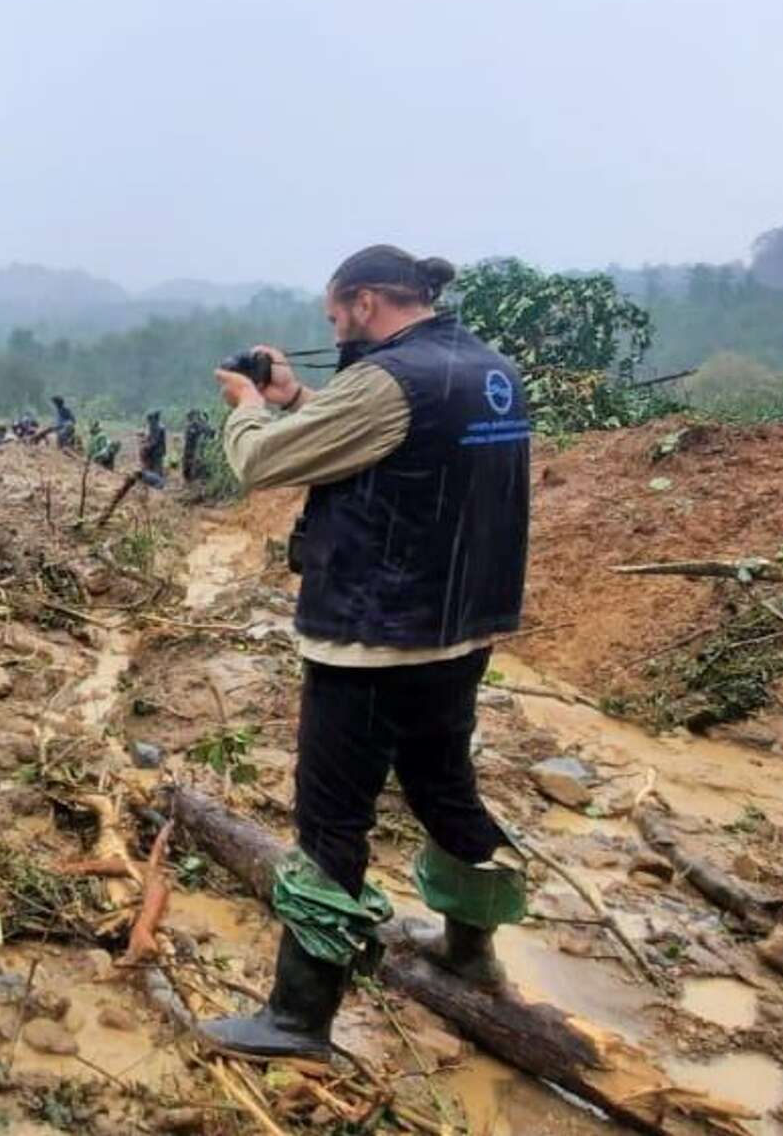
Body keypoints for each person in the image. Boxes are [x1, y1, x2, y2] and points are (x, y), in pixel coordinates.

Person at [199, 245, 531, 1059]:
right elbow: (401, 448)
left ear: (368, 302)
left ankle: (298, 1016)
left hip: (372, 640)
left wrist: (248, 404)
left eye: (336, 315)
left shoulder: (387, 380)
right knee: (446, 786)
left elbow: (261, 460)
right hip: (460, 631)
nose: (336, 327)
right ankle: (471, 951)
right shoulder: (489, 369)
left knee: (331, 821)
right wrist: (301, 396)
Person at [180, 409, 216, 484]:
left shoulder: (196, 425)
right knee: (195, 463)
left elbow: (191, 437)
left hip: (196, 448)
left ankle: (195, 479)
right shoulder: (200, 425)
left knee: (195, 463)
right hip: (198, 448)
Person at [138, 409, 168, 487]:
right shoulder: (157, 426)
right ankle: (157, 483)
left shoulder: (157, 427)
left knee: (156, 469)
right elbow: (151, 438)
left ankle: (159, 485)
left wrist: (146, 447)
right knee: (155, 469)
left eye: (149, 419)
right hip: (156, 451)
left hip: (156, 452)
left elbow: (154, 441)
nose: (149, 422)